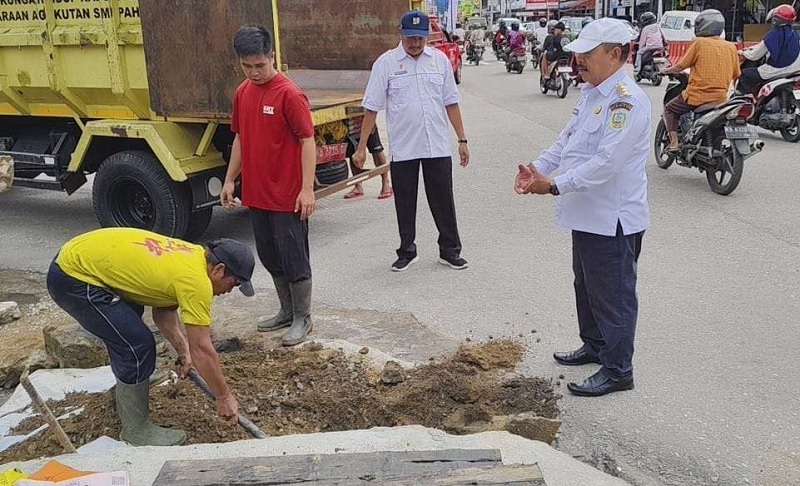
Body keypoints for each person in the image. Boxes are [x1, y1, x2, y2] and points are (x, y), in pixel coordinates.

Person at [514, 18, 649, 397]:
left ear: (616, 54)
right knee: (587, 285)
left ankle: (619, 369)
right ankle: (595, 345)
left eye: (588, 54)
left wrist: (554, 185)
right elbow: (565, 142)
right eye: (578, 53)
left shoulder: (627, 101)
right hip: (587, 213)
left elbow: (607, 163)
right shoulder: (592, 94)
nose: (579, 61)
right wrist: (537, 168)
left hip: (613, 218)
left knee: (614, 295)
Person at [47, 228, 254, 445]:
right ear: (219, 269)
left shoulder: (194, 256)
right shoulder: (196, 281)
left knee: (129, 325)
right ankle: (136, 432)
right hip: (73, 277)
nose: (230, 291)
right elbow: (202, 348)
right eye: (234, 283)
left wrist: (183, 350)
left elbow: (163, 309)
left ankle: (132, 384)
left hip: (81, 258)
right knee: (137, 345)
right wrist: (223, 397)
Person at [353, 10, 470, 272]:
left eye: (420, 38)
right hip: (404, 147)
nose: (415, 44)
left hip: (436, 144)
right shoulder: (386, 64)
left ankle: (449, 250)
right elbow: (371, 107)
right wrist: (361, 148)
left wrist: (462, 139)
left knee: (443, 199)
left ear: (427, 37)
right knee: (404, 201)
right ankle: (407, 250)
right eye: (410, 39)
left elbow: (451, 102)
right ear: (401, 35)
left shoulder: (439, 61)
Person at [221, 25, 316, 346]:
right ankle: (286, 311)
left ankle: (304, 317)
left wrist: (307, 189)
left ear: (272, 56)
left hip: (288, 196)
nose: (254, 72)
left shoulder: (289, 94)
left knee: (294, 256)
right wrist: (230, 179)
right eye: (247, 66)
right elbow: (240, 138)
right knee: (270, 256)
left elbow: (307, 140)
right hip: (257, 194)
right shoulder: (242, 93)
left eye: (260, 65)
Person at [661, 10, 740, 152]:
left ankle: (674, 143)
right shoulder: (731, 47)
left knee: (670, 109)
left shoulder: (699, 43)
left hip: (697, 97)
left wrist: (665, 70)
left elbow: (681, 66)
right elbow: (736, 74)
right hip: (721, 99)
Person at [736, 4, 800, 96]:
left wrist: (742, 52)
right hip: (794, 71)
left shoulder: (773, 34)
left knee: (745, 75)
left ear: (775, 20)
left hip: (777, 70)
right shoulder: (794, 34)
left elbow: (755, 55)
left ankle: (745, 102)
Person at [345, 125, 393, 200]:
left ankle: (385, 183)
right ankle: (358, 185)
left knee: (376, 150)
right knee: (353, 153)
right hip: (350, 124)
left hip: (367, 122)